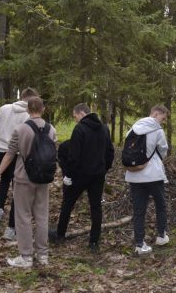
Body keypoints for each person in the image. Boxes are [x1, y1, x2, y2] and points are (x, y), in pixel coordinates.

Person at [0, 97, 57, 268]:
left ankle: (26, 257)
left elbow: (9, 154)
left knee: (23, 217)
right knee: (42, 217)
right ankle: (43, 255)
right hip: (44, 178)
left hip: (23, 177)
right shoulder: (51, 130)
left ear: (28, 110)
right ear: (43, 109)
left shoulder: (20, 129)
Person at [50, 103, 114, 252]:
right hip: (98, 175)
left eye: (75, 117)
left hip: (79, 175)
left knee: (67, 204)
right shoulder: (104, 128)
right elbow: (110, 152)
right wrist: (104, 169)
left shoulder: (80, 129)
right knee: (96, 207)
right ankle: (94, 242)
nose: (75, 120)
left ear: (80, 113)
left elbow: (74, 156)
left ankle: (60, 234)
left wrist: (69, 175)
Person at [0, 87, 39, 239]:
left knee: (4, 179)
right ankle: (11, 227)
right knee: (17, 186)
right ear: (31, 99)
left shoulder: (5, 108)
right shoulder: (28, 115)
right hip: (16, 154)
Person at [126, 104, 170, 255]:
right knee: (161, 205)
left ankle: (139, 244)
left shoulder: (133, 128)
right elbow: (163, 150)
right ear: (156, 114)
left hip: (134, 175)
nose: (162, 121)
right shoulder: (157, 130)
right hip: (153, 175)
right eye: (163, 118)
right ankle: (161, 236)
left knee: (139, 210)